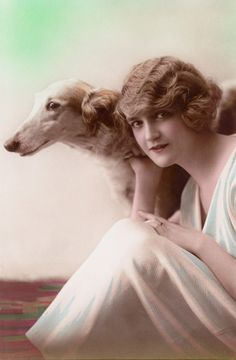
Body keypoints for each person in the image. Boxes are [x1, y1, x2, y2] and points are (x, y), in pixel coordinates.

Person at [26, 56, 236, 359]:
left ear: (193, 110)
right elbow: (140, 244)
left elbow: (142, 251)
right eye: (137, 122)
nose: (149, 135)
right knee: (129, 235)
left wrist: (198, 242)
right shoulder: (192, 191)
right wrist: (146, 179)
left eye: (162, 114)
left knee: (134, 242)